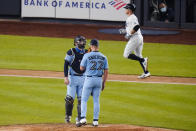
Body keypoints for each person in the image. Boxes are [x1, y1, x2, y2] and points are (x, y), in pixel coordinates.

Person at [77, 39, 109, 127]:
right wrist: (104, 83)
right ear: (98, 46)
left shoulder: (87, 55)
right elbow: (106, 71)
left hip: (89, 80)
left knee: (84, 99)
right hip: (99, 80)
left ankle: (83, 118)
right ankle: (95, 121)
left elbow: (81, 68)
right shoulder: (104, 57)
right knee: (96, 101)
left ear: (91, 46)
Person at [119, 3, 150, 79]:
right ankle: (146, 72)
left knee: (126, 55)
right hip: (139, 38)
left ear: (129, 10)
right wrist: (125, 31)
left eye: (126, 8)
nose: (125, 10)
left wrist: (129, 34)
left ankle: (143, 60)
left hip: (135, 38)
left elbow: (136, 26)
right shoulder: (131, 17)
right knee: (138, 55)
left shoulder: (132, 18)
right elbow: (132, 28)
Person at [64, 35, 87, 124]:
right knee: (70, 99)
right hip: (72, 78)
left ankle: (80, 118)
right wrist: (65, 77)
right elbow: (66, 65)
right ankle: (68, 116)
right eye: (80, 41)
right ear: (75, 43)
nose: (83, 43)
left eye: (83, 41)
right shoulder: (71, 52)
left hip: (83, 78)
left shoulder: (87, 52)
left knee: (81, 99)